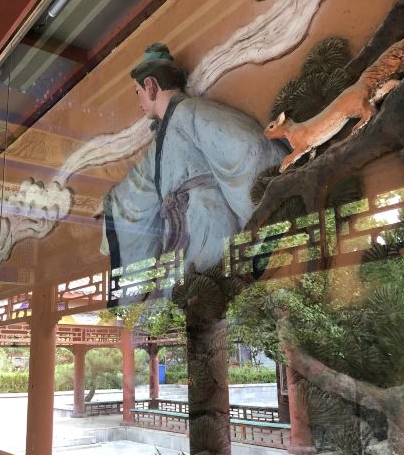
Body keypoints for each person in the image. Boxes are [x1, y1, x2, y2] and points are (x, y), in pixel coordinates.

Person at [103, 43, 285, 297]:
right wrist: (112, 202)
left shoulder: (190, 111)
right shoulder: (160, 139)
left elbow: (248, 147)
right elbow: (139, 185)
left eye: (137, 92)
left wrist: (259, 219)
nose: (139, 102)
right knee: (176, 301)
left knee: (204, 296)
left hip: (206, 219)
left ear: (150, 86)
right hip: (180, 231)